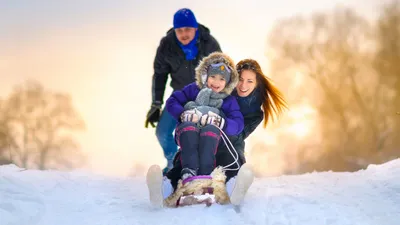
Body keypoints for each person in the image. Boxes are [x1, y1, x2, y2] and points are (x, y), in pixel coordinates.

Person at [146, 58, 288, 207]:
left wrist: (220, 122)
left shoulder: (255, 113)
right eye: (240, 79)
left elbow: (238, 133)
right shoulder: (222, 90)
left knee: (229, 162)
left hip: (229, 143)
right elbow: (178, 101)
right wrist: (186, 114)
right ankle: (163, 189)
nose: (243, 85)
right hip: (202, 135)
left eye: (250, 81)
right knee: (187, 158)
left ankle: (235, 189)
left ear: (257, 83)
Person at [144, 8, 222, 174]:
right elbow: (160, 75)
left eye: (187, 29)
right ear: (174, 30)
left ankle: (206, 167)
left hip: (205, 95)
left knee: (201, 133)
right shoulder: (167, 45)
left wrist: (220, 99)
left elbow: (222, 72)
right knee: (162, 132)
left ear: (195, 28)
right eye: (179, 30)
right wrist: (156, 104)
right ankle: (174, 161)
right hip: (180, 95)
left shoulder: (209, 43)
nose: (184, 34)